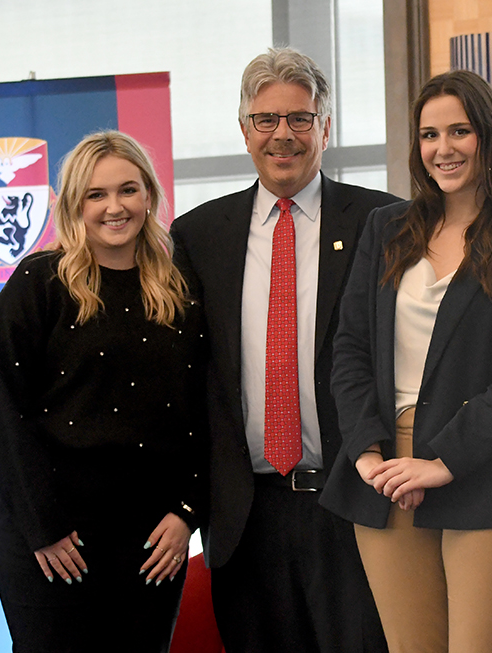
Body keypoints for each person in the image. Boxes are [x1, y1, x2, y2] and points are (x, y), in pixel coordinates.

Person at [319, 69, 492, 653]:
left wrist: (443, 460)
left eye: (459, 131)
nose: (443, 148)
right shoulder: (386, 228)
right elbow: (349, 349)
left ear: (487, 136)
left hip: (489, 473)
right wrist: (368, 453)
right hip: (384, 474)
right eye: (429, 134)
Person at [170, 47, 397, 652]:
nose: (283, 135)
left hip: (355, 506)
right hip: (247, 517)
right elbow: (188, 382)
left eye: (300, 118)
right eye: (266, 120)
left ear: (326, 126)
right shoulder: (196, 236)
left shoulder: (385, 221)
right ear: (244, 131)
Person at [0, 130, 206, 652]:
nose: (115, 207)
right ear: (73, 205)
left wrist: (188, 513)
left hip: (152, 543)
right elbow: (1, 413)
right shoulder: (38, 284)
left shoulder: (179, 292)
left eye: (128, 190)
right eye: (96, 195)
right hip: (52, 543)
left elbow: (205, 411)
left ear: (149, 194)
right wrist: (43, 527)